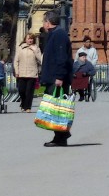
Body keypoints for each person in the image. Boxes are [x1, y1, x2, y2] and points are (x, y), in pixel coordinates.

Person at [38, 10, 73, 147]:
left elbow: (61, 58)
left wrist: (59, 76)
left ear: (48, 22)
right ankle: (60, 136)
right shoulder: (55, 34)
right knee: (55, 108)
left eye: (43, 21)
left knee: (56, 108)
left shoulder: (59, 35)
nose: (43, 24)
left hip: (56, 79)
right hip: (53, 77)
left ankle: (61, 136)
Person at [14, 33, 42, 112]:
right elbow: (16, 60)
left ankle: (28, 107)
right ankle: (23, 103)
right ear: (25, 39)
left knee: (29, 91)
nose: (30, 40)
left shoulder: (36, 48)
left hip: (32, 73)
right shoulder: (20, 48)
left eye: (31, 39)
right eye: (28, 38)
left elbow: (40, 59)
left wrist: (35, 51)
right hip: (21, 73)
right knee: (21, 90)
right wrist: (16, 71)